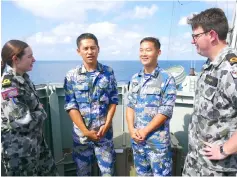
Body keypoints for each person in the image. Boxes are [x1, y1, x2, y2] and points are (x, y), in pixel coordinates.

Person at [182, 8, 237, 176]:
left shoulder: (230, 68)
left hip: (218, 167)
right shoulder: (210, 65)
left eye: (196, 36)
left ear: (212, 35)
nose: (193, 41)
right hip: (196, 162)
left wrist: (225, 149)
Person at [64, 33, 118, 176]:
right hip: (82, 137)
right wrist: (86, 131)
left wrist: (106, 125)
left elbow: (113, 100)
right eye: (86, 48)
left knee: (108, 173)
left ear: (98, 49)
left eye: (93, 48)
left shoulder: (108, 72)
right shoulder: (72, 75)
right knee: (82, 173)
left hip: (104, 135)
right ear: (79, 51)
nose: (89, 52)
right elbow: (71, 106)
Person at [1, 40, 58, 176]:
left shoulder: (24, 79)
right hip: (20, 153)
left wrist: (35, 111)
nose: (34, 59)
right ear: (16, 59)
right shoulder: (9, 86)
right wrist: (41, 112)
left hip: (36, 145)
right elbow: (22, 123)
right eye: (29, 56)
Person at [126, 37, 177, 176]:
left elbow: (165, 110)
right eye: (141, 50)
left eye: (148, 50)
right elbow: (130, 106)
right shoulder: (135, 78)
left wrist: (145, 131)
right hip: (138, 142)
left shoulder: (167, 78)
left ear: (158, 52)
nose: (144, 53)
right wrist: (131, 130)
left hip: (157, 144)